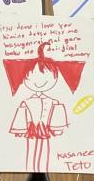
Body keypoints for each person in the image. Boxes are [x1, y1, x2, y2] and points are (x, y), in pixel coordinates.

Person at [8, 43, 70, 172]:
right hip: (31, 131)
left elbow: (56, 119)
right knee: (30, 153)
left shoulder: (54, 102)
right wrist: (20, 129)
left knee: (45, 153)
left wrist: (57, 128)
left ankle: (41, 169)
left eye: (46, 76)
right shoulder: (26, 102)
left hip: (45, 131)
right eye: (31, 76)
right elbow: (22, 117)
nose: (39, 81)